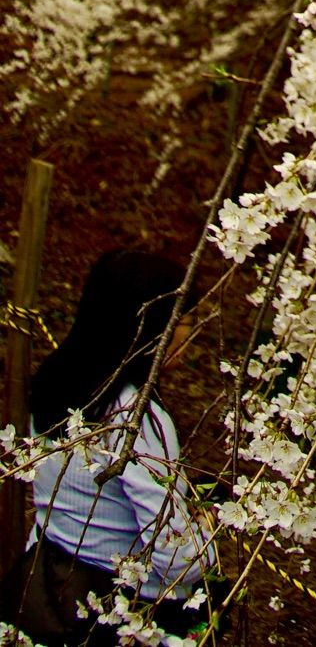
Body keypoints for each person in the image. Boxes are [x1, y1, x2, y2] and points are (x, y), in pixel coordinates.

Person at [5, 249, 213, 643]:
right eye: (186, 321)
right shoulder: (136, 419)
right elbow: (178, 561)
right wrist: (206, 534)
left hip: (48, 587)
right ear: (154, 327)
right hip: (121, 610)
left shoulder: (55, 381)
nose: (191, 335)